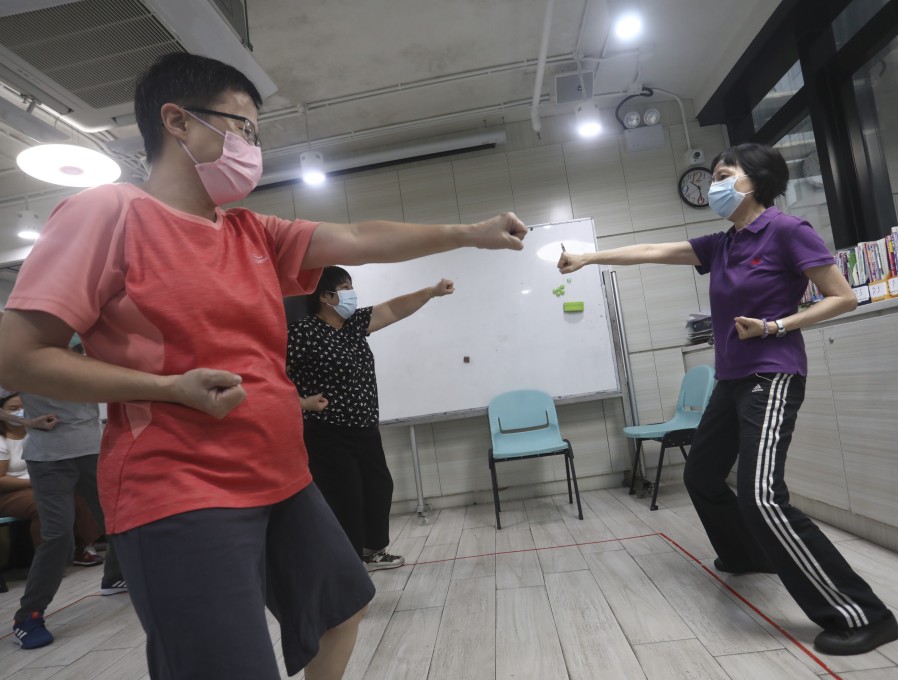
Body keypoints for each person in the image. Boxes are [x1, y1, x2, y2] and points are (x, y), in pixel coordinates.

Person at [0, 52, 525, 679]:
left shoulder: (250, 231)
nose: (253, 146)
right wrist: (166, 387)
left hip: (281, 474)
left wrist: (469, 231)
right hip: (180, 486)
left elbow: (358, 237)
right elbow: (18, 355)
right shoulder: (109, 213)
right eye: (243, 127)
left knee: (342, 610)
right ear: (178, 121)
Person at [557, 142, 898, 656]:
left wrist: (775, 325)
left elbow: (842, 296)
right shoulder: (723, 243)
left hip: (772, 374)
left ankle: (863, 614)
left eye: (723, 174)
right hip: (732, 379)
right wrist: (588, 257)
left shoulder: (787, 231)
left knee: (761, 495)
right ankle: (746, 553)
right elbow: (652, 251)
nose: (715, 185)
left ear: (755, 181)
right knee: (701, 474)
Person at [288, 268, 454, 570]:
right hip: (329, 433)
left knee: (379, 488)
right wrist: (301, 402)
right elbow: (268, 374)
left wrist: (430, 292)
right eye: (345, 288)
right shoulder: (302, 332)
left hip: (365, 428)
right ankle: (349, 566)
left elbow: (391, 309)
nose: (352, 294)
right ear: (325, 297)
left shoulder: (351, 325)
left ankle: (371, 551)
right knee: (346, 500)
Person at [0, 390, 108, 568]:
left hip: (43, 482)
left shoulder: (37, 433)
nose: (19, 411)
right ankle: (48, 561)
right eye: (13, 409)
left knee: (80, 494)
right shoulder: (4, 441)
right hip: (12, 491)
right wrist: (33, 484)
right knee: (42, 506)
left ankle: (83, 547)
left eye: (22, 407)